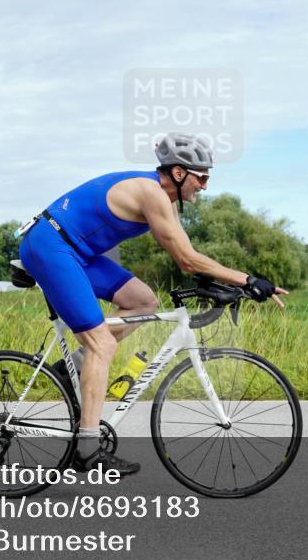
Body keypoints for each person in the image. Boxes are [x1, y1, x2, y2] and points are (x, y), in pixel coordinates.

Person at [17, 132, 287, 475]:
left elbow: (187, 256)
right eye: (201, 176)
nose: (205, 185)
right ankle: (86, 449)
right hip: (51, 247)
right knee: (102, 344)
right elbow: (188, 261)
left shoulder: (165, 202)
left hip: (77, 252)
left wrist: (221, 283)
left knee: (143, 301)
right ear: (179, 173)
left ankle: (74, 368)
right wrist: (247, 279)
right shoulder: (152, 194)